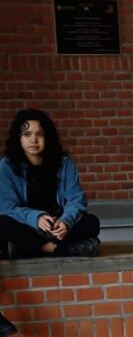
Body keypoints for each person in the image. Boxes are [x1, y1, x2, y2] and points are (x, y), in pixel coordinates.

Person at [0, 109, 101, 259]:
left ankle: (27, 249)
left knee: (91, 222)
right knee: (2, 223)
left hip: (58, 227)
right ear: (18, 137)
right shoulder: (7, 165)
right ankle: (57, 249)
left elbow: (76, 199)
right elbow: (6, 207)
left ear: (48, 137)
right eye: (27, 134)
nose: (33, 140)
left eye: (40, 134)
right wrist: (36, 218)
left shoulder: (64, 163)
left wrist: (66, 222)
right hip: (28, 225)